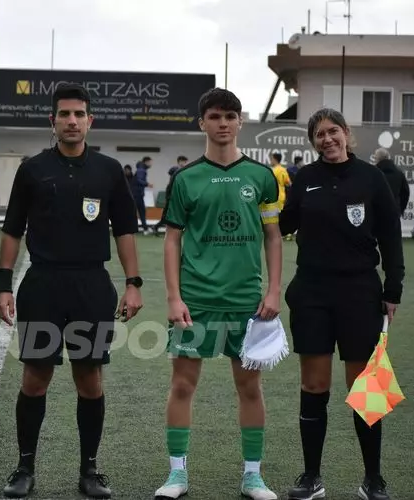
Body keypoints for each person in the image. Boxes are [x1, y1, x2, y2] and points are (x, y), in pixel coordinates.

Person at [0, 82, 143, 499]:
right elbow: (12, 230)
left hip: (91, 285)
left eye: (79, 114)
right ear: (53, 120)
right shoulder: (32, 170)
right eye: (65, 114)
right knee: (34, 377)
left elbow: (125, 231)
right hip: (42, 284)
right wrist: (3, 286)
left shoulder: (109, 170)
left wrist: (133, 284)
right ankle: (24, 468)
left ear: (90, 120)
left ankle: (90, 470)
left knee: (89, 379)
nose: (72, 121)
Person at [155, 87, 282, 500]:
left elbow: (273, 237)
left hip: (246, 301)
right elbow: (172, 240)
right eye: (214, 116)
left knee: (250, 388)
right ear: (202, 123)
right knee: (182, 385)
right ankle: (177, 475)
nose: (223, 123)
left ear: (240, 121)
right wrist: (174, 297)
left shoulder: (261, 177)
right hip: (196, 301)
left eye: (230, 116)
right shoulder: (186, 178)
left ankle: (252, 476)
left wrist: (273, 290)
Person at [279, 108, 404, 500]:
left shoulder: (371, 178)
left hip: (360, 293)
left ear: (346, 133)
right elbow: (283, 224)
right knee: (314, 385)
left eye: (333, 131)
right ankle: (311, 478)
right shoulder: (305, 179)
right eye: (319, 134)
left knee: (364, 387)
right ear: (313, 142)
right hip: (312, 293)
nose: (327, 139)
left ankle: (373, 480)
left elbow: (391, 235)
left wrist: (393, 288)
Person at [374, 148, 410, 215]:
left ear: (377, 159)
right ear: (388, 157)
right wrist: (400, 210)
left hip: (376, 212)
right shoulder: (399, 173)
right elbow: (405, 193)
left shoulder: (373, 173)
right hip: (394, 211)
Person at [131, 156, 153, 234]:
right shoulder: (141, 170)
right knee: (140, 211)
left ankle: (144, 228)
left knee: (140, 211)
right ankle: (144, 229)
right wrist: (147, 184)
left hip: (137, 194)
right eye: (150, 162)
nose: (151, 164)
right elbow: (139, 180)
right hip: (137, 195)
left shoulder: (141, 169)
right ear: (146, 162)